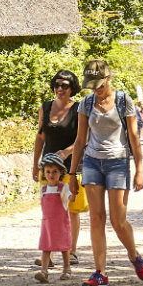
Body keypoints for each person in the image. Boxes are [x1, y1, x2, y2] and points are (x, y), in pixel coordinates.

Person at [68, 59, 143, 286]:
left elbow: (134, 138)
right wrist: (72, 174)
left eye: (99, 85)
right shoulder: (85, 103)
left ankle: (134, 256)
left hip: (117, 163)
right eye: (92, 85)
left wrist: (140, 170)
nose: (96, 90)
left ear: (109, 78)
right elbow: (80, 140)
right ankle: (100, 272)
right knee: (96, 218)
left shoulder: (124, 101)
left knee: (118, 221)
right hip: (93, 163)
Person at [32, 69, 84, 272]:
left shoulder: (79, 109)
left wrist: (67, 152)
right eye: (57, 85)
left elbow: (83, 138)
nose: (59, 89)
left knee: (71, 209)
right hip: (49, 167)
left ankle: (71, 252)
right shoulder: (45, 107)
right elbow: (40, 136)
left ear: (72, 88)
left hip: (71, 167)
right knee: (50, 209)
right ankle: (49, 254)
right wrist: (36, 164)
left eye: (64, 86)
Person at [35, 152, 74, 282]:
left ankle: (67, 268)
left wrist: (73, 194)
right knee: (46, 248)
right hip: (47, 226)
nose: (51, 175)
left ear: (61, 173)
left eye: (55, 171)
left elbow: (70, 198)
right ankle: (44, 271)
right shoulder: (43, 189)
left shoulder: (63, 188)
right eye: (48, 172)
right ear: (44, 173)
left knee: (64, 248)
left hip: (61, 225)